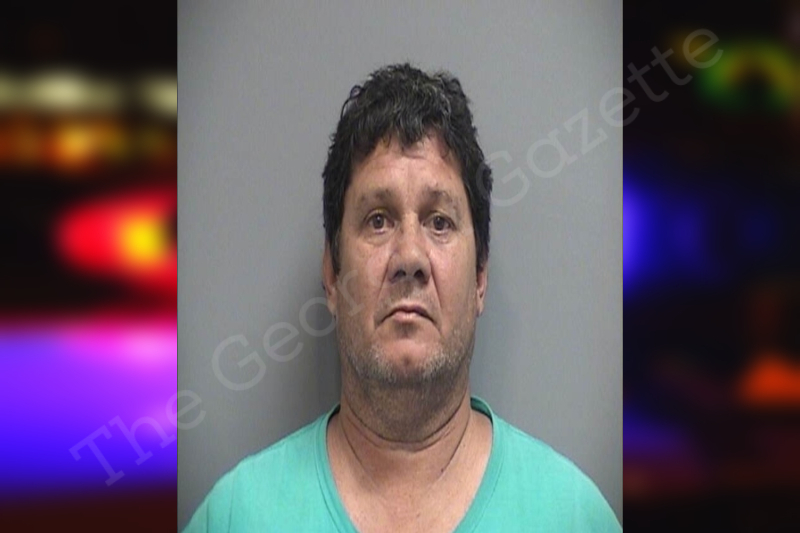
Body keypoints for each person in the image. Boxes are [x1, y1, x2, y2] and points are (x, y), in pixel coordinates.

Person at [183, 63, 621, 532]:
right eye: (378, 220)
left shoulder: (575, 517)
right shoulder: (234, 517)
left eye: (439, 222)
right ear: (332, 275)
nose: (410, 257)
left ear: (479, 277)